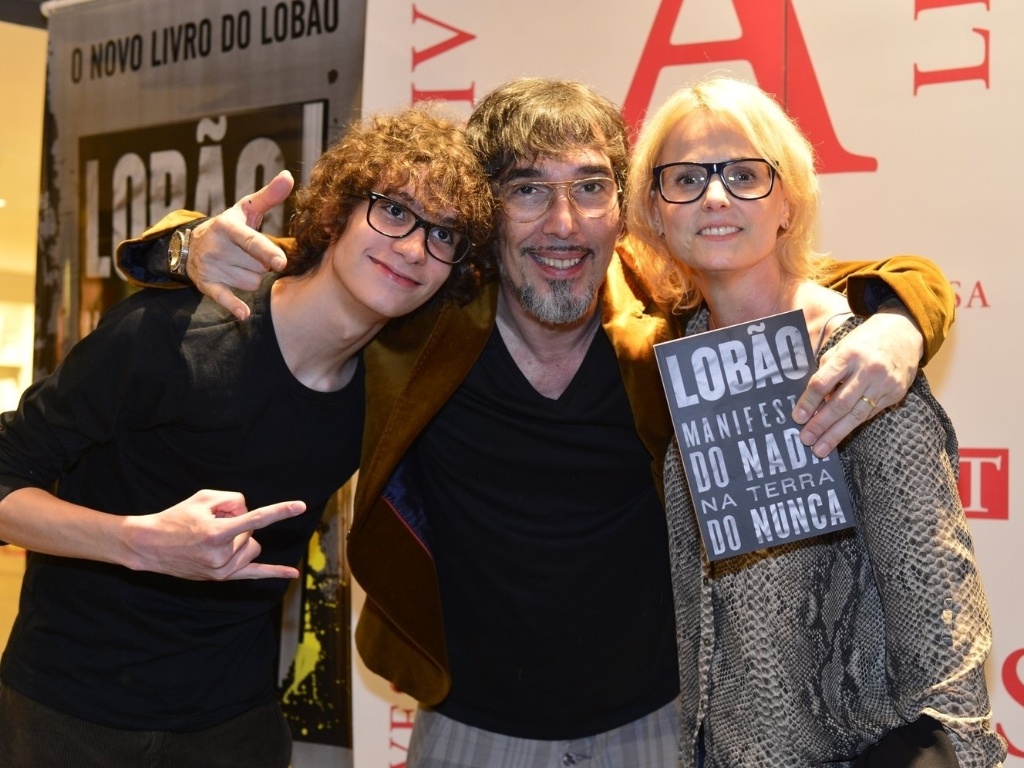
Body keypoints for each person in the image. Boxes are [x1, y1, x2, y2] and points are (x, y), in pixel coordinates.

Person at [117, 77, 956, 767]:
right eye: (527, 191)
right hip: (468, 731)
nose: (563, 225)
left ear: (626, 210)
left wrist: (899, 318)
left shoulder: (663, 314)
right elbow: (276, 263)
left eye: (590, 189)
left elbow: (840, 277)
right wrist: (182, 246)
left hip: (657, 727)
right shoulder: (416, 317)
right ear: (483, 214)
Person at [0, 105, 493, 767]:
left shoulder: (389, 397)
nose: (413, 248)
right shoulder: (170, 333)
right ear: (337, 213)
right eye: (395, 211)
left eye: (444, 236)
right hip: (66, 713)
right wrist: (136, 542)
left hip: (232, 728)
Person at [625, 75, 1005, 767]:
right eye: (685, 177)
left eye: (744, 174)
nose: (714, 196)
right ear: (655, 210)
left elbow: (944, 646)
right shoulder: (680, 358)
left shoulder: (861, 368)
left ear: (788, 203)